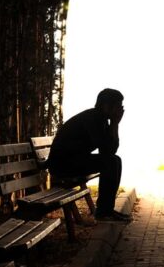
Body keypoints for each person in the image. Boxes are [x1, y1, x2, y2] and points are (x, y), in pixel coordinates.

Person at [47, 88, 131, 222]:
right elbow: (107, 152)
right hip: (63, 165)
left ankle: (106, 210)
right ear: (106, 105)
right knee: (111, 162)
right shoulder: (92, 119)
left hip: (74, 160)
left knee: (115, 160)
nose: (120, 108)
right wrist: (114, 123)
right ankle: (104, 212)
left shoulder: (101, 119)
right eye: (117, 105)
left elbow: (109, 151)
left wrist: (115, 124)